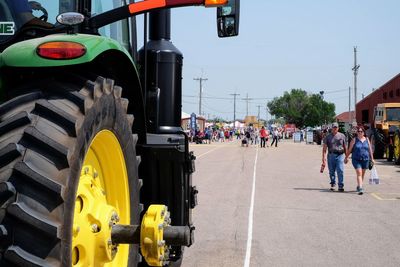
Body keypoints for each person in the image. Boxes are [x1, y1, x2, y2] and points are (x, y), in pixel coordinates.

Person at [345, 126, 375, 195]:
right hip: (356, 159)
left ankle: (359, 185)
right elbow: (349, 149)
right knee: (359, 173)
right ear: (357, 132)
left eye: (361, 131)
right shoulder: (354, 140)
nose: (360, 133)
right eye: (358, 131)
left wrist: (372, 159)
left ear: (364, 132)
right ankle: (361, 188)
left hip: (365, 159)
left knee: (362, 174)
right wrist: (346, 157)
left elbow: (370, 149)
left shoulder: (367, 139)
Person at [322, 122, 347, 191]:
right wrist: (323, 159)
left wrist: (346, 156)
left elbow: (345, 147)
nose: (335, 128)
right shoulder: (328, 137)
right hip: (331, 155)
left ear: (338, 128)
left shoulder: (342, 136)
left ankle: (340, 185)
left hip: (340, 155)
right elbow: (324, 149)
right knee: (331, 171)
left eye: (336, 127)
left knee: (340, 170)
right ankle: (333, 183)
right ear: (332, 128)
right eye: (334, 127)